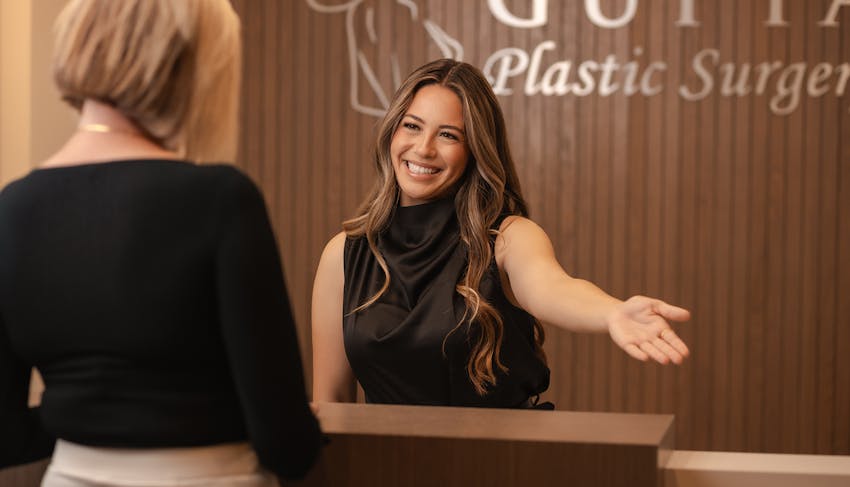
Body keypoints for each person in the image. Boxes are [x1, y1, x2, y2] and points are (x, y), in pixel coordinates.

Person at [0, 1, 321, 485]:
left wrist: (87, 420)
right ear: (191, 66)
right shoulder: (220, 199)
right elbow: (284, 439)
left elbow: (4, 434)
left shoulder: (12, 208)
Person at [312, 58, 691, 408]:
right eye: (412, 126)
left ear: (475, 150)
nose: (423, 148)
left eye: (448, 135)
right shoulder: (344, 254)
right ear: (392, 132)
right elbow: (331, 399)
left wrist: (612, 312)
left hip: (499, 465)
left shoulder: (510, 236)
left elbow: (553, 288)